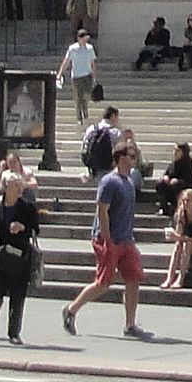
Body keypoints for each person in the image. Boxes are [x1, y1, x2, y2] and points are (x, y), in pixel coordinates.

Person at [62, 138, 150, 339]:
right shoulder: (110, 181)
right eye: (131, 156)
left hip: (126, 239)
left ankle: (130, 324)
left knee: (134, 278)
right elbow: (102, 211)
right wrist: (107, 239)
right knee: (103, 283)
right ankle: (71, 310)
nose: (134, 160)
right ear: (120, 158)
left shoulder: (129, 181)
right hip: (108, 239)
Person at [0, 167, 44, 345]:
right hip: (0, 256)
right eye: (15, 185)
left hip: (20, 256)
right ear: (5, 187)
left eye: (20, 185)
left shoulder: (27, 207)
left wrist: (23, 227)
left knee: (18, 295)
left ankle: (14, 332)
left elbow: (35, 228)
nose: (19, 188)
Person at [57, 29, 99, 120]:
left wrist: (94, 77)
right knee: (78, 98)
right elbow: (66, 62)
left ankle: (85, 111)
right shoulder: (72, 49)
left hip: (87, 76)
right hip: (76, 76)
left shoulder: (90, 48)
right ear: (79, 38)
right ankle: (79, 117)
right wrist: (60, 74)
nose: (85, 40)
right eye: (83, 38)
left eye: (86, 38)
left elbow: (92, 64)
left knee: (86, 96)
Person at [154, 141, 192, 218]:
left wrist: (179, 181)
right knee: (160, 184)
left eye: (177, 151)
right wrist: (165, 177)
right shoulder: (173, 163)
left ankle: (176, 208)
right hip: (171, 187)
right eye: (174, 150)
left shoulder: (190, 165)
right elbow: (167, 173)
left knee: (176, 185)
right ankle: (164, 208)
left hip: (183, 188)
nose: (175, 152)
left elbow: (191, 182)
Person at [80, 105, 122, 180]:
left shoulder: (91, 128)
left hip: (92, 164)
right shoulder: (115, 132)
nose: (118, 120)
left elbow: (84, 146)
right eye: (117, 117)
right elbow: (119, 151)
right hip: (107, 167)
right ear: (113, 116)